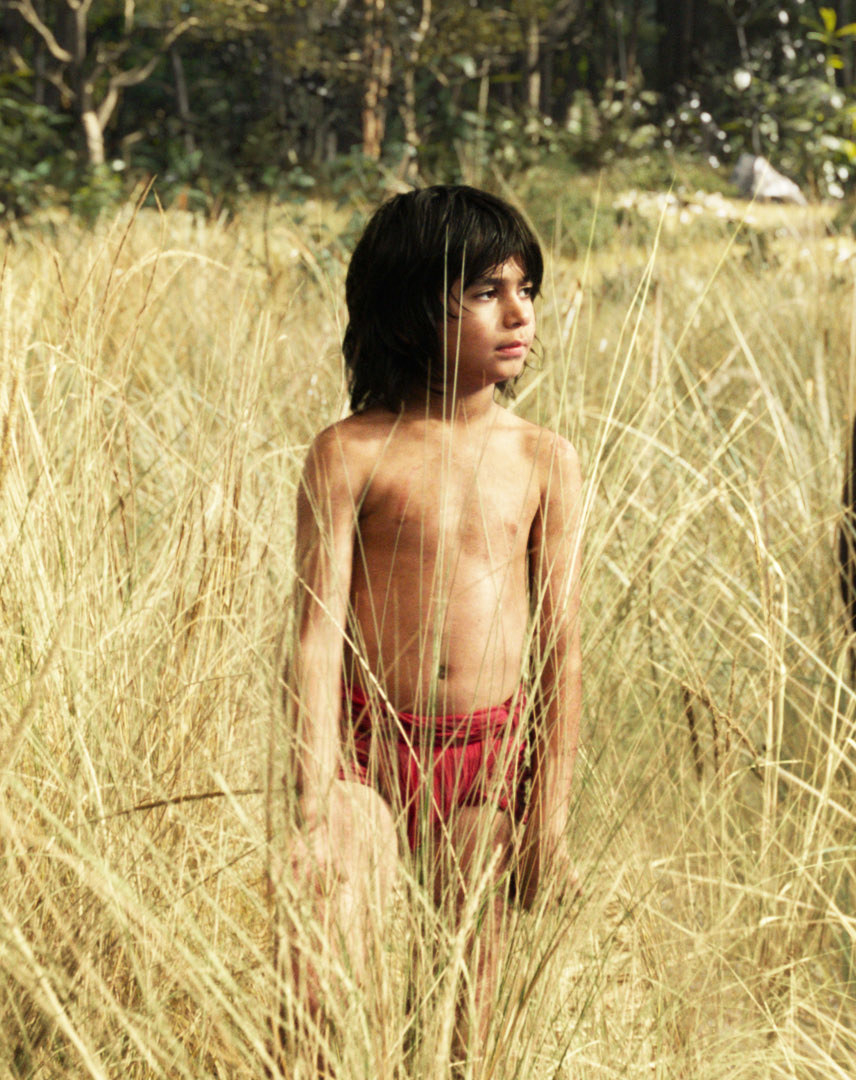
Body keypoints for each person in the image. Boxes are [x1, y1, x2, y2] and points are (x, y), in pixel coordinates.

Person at [282, 184, 584, 1067]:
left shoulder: (543, 459)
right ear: (416, 308)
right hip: (364, 757)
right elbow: (313, 632)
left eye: (526, 289)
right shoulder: (352, 451)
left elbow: (561, 648)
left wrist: (549, 818)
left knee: (466, 1006)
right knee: (316, 987)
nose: (518, 312)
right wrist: (313, 790)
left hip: (486, 765)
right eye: (487, 292)